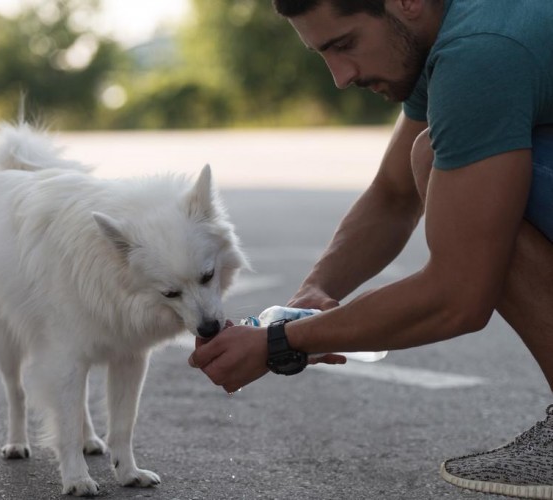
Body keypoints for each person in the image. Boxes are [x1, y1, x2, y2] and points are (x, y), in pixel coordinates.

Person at [188, 0, 553, 497]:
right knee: (433, 156)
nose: (339, 77)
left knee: (440, 161)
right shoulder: (453, 28)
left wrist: (283, 344)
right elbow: (392, 195)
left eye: (345, 44)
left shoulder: (479, 53)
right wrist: (313, 294)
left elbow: (458, 298)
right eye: (323, 55)